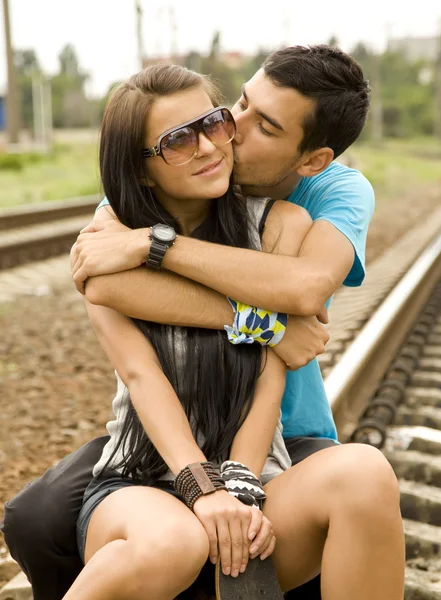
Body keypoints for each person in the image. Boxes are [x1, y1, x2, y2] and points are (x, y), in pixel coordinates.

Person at [2, 47, 405, 600]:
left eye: (236, 122)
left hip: (271, 449)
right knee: (41, 517)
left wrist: (236, 488)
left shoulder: (302, 211)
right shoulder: (122, 221)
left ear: (311, 158)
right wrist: (267, 325)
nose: (223, 137)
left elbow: (303, 295)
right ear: (141, 168)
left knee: (366, 473)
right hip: (151, 466)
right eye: (235, 105)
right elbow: (103, 289)